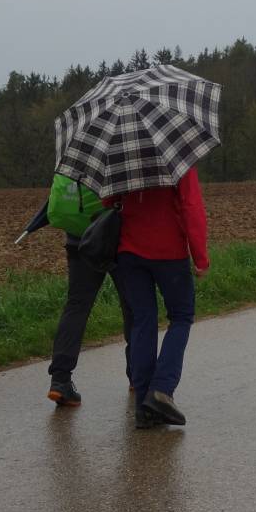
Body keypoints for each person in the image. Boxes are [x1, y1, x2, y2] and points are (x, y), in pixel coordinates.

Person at [111, 167, 210, 428]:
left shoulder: (122, 156)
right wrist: (200, 257)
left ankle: (144, 406)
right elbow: (191, 206)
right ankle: (162, 390)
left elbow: (108, 200)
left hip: (129, 250)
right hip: (169, 251)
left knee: (143, 320)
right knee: (182, 316)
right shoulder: (177, 160)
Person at [45, 224, 133, 409]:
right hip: (117, 237)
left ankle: (60, 380)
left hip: (79, 238)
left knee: (76, 306)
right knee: (132, 305)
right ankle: (138, 373)